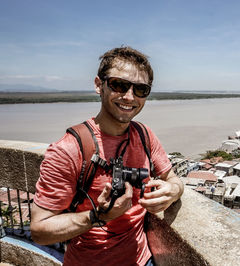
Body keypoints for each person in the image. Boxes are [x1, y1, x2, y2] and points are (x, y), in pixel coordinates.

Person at [30, 46, 184, 266]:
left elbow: (173, 179)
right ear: (98, 85)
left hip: (143, 259)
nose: (129, 97)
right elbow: (39, 230)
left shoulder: (144, 136)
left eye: (141, 89)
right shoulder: (69, 150)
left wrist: (173, 191)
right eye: (119, 85)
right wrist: (98, 216)